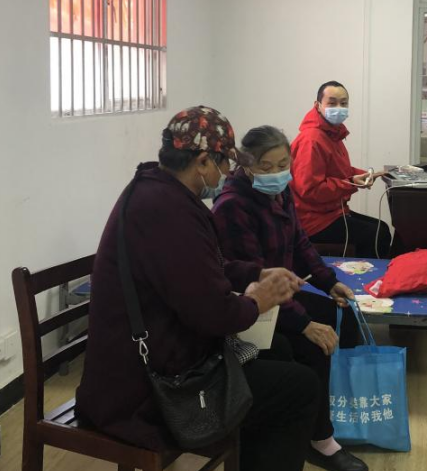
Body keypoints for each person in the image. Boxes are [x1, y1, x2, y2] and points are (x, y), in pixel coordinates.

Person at [75, 106, 320, 471]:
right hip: (144, 390)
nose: (227, 174)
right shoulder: (167, 211)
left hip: (158, 357)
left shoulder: (157, 191)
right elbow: (214, 314)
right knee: (300, 388)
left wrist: (257, 272)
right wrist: (258, 301)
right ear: (203, 161)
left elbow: (203, 270)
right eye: (225, 165)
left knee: (279, 350)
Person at [212, 125, 369, 471]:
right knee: (313, 342)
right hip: (251, 307)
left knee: (335, 314)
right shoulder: (232, 206)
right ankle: (320, 439)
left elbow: (299, 243)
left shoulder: (280, 193)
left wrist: (329, 282)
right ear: (246, 166)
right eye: (266, 167)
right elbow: (258, 283)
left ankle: (318, 422)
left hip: (280, 296)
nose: (277, 174)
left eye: (283, 164)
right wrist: (304, 324)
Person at [290, 80, 391, 258]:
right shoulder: (312, 139)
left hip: (331, 212)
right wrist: (350, 183)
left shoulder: (332, 133)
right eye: (332, 103)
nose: (339, 108)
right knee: (376, 235)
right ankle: (364, 275)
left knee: (381, 227)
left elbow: (338, 170)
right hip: (313, 220)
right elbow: (310, 190)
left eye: (343, 103)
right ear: (318, 105)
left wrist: (365, 175)